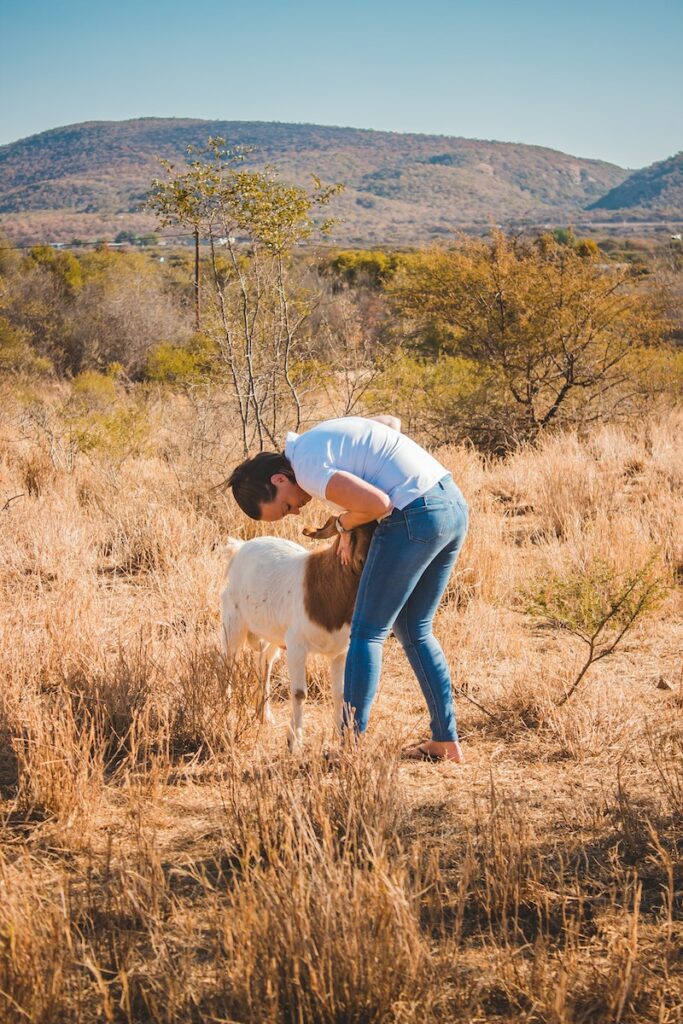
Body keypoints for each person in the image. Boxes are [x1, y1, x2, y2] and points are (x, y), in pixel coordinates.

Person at [226, 415, 469, 762]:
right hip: (452, 506)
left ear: (279, 479)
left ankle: (347, 747)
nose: (295, 512)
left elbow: (380, 504)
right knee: (414, 629)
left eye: (286, 506)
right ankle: (445, 741)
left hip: (414, 515)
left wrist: (341, 524)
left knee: (366, 631)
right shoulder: (317, 442)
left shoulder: (307, 467)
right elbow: (390, 423)